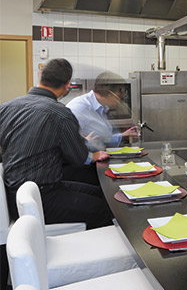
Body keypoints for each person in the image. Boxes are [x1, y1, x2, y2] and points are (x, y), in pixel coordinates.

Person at [0, 58, 113, 229]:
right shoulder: (60, 114)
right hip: (40, 197)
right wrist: (93, 154)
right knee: (104, 209)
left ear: (40, 76)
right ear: (67, 84)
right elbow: (78, 158)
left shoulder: (6, 107)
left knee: (101, 195)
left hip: (13, 195)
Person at [66, 71, 138, 151]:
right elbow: (65, 141)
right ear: (110, 93)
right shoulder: (80, 107)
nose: (122, 96)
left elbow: (101, 139)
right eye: (121, 92)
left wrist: (122, 136)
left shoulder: (101, 108)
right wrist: (87, 145)